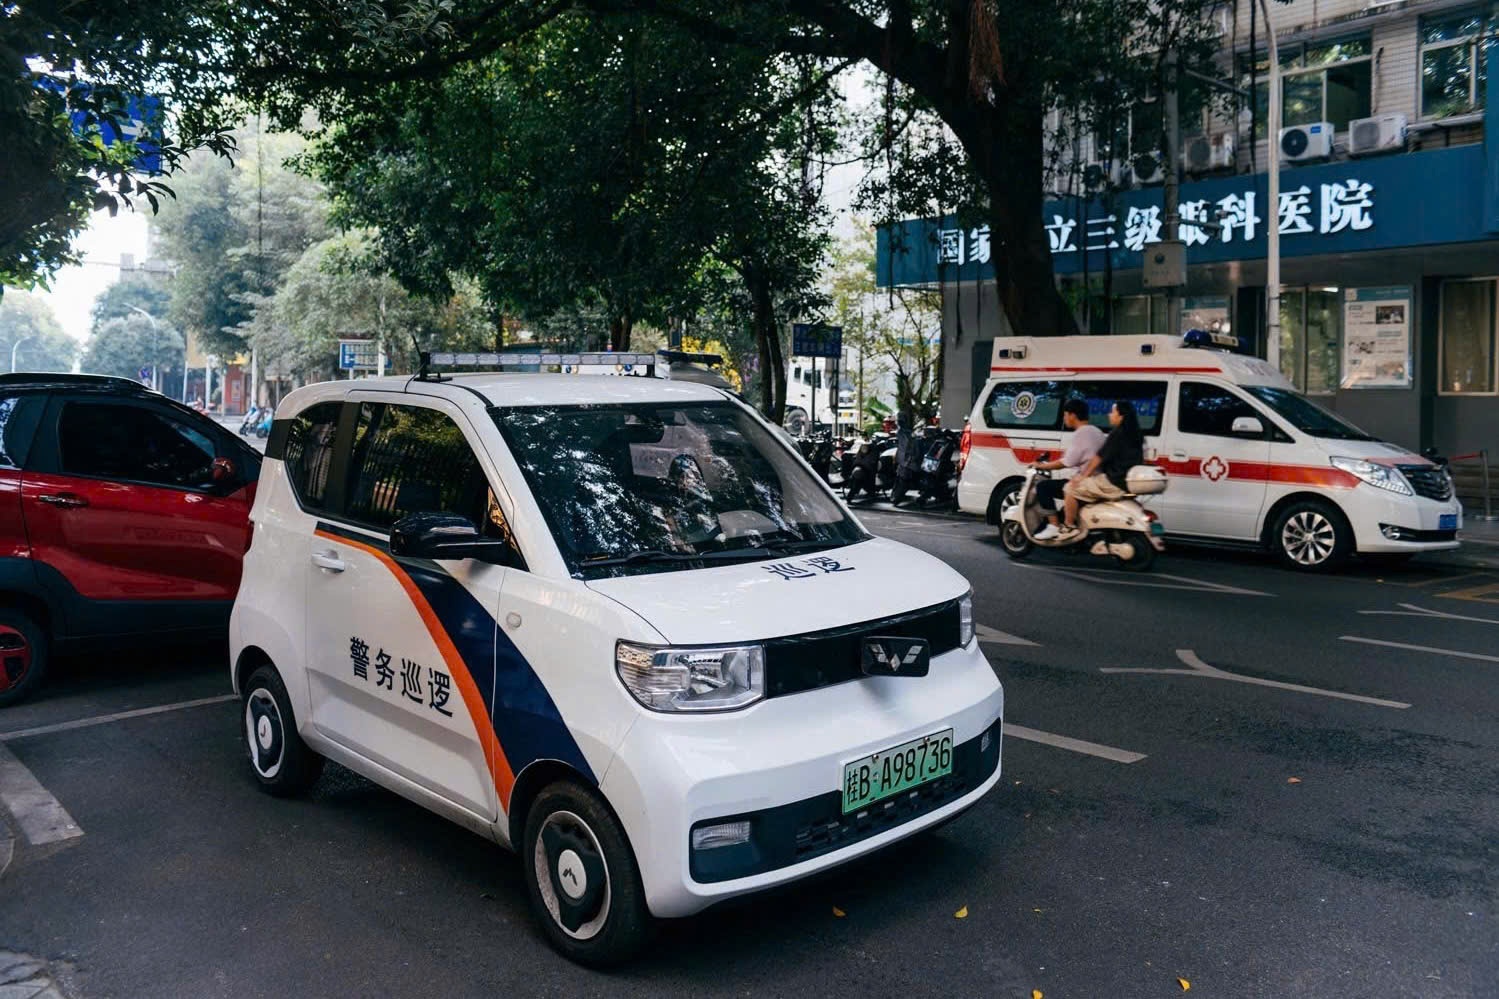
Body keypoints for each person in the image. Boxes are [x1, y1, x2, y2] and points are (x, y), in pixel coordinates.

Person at [1059, 399, 1145, 541]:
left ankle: (1068, 526)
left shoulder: (1117, 433)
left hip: (1112, 482)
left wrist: (1083, 476)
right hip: (1125, 482)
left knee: (1070, 488)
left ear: (1121, 416)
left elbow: (1099, 458)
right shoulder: (1137, 435)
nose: (1109, 415)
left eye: (1112, 412)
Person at [1030, 398, 1105, 541]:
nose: (1064, 418)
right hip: (1096, 480)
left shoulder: (1081, 433)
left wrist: (1041, 466)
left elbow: (1067, 462)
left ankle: (1053, 526)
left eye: (1065, 415)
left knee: (1043, 487)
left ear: (1073, 415)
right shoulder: (1096, 431)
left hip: (1084, 483)